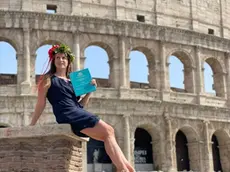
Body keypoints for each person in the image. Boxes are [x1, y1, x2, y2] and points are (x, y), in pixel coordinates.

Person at [30, 44, 135, 172]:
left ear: (68, 61)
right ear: (53, 60)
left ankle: (128, 169)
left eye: (64, 57)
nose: (61, 60)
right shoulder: (48, 79)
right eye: (57, 57)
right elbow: (41, 104)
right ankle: (124, 170)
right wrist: (32, 124)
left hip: (76, 111)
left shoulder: (72, 81)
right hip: (66, 114)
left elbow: (80, 105)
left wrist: (90, 92)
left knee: (109, 133)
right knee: (108, 131)